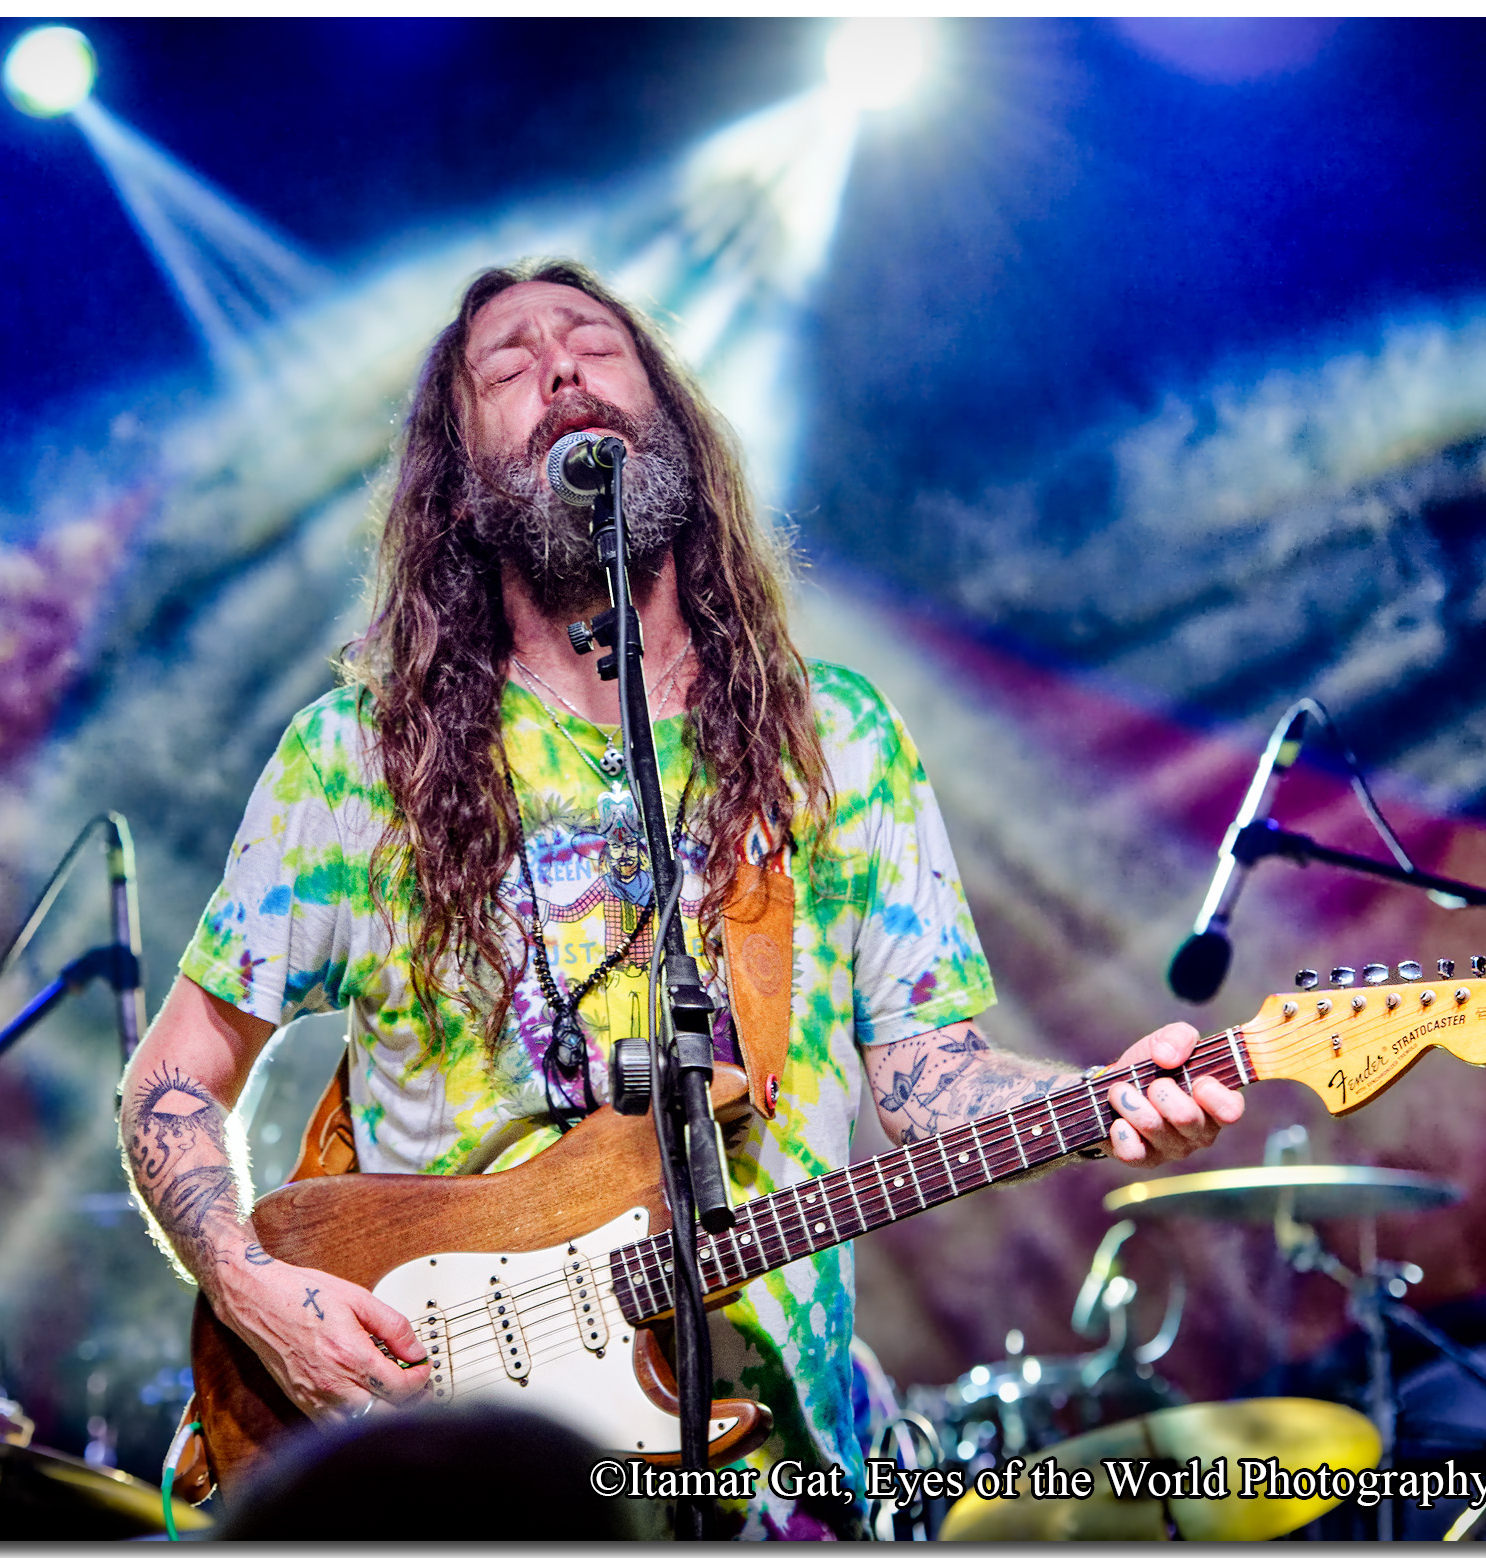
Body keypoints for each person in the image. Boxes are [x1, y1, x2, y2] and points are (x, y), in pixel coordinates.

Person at [119, 258, 1244, 1538]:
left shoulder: (835, 741)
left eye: (597, 344)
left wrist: (1098, 1102)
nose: (560, 367)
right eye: (507, 365)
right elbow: (173, 1078)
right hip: (471, 1465)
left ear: (672, 420)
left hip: (773, 1464)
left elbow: (929, 1075)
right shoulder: (358, 759)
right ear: (459, 479)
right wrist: (252, 1284)